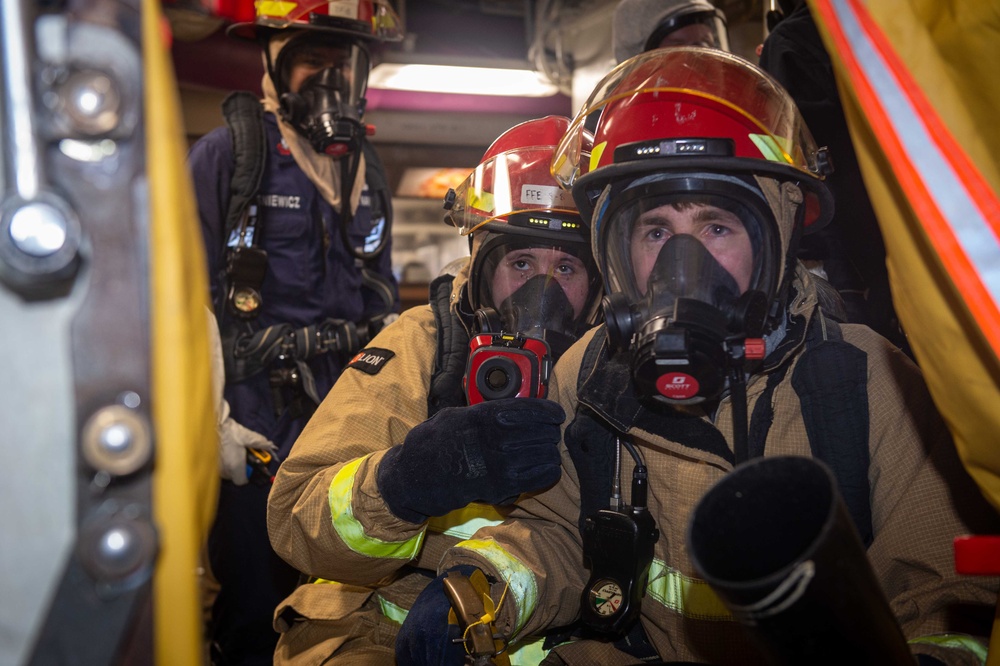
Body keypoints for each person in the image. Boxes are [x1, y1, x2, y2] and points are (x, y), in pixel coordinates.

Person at [395, 48, 1000, 665]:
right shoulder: (589, 371)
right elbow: (554, 534)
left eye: (717, 227)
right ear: (617, 252)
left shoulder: (870, 382)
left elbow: (941, 591)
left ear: (777, 237)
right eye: (656, 232)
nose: (683, 269)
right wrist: (480, 593)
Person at [265, 116, 604, 664]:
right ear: (481, 262)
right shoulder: (425, 343)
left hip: (559, 630)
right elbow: (295, 521)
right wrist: (406, 482)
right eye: (521, 262)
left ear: (601, 282)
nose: (543, 293)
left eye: (567, 266)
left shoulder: (618, 366)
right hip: (389, 620)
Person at [187, 1, 402, 662]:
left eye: (344, 60)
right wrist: (213, 422)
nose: (330, 76)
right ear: (275, 62)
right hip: (255, 423)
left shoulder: (365, 171)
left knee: (345, 606)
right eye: (313, 58)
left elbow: (383, 297)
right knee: (256, 608)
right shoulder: (230, 155)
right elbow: (186, 297)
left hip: (346, 423)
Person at [758, 0, 910, 353]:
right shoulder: (885, 20)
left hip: (849, 248)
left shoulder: (791, 42)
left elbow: (796, 167)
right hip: (917, 220)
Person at [612, 0, 729, 63]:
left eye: (706, 42)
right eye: (678, 45)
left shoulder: (732, 104)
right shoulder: (619, 108)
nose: (700, 57)